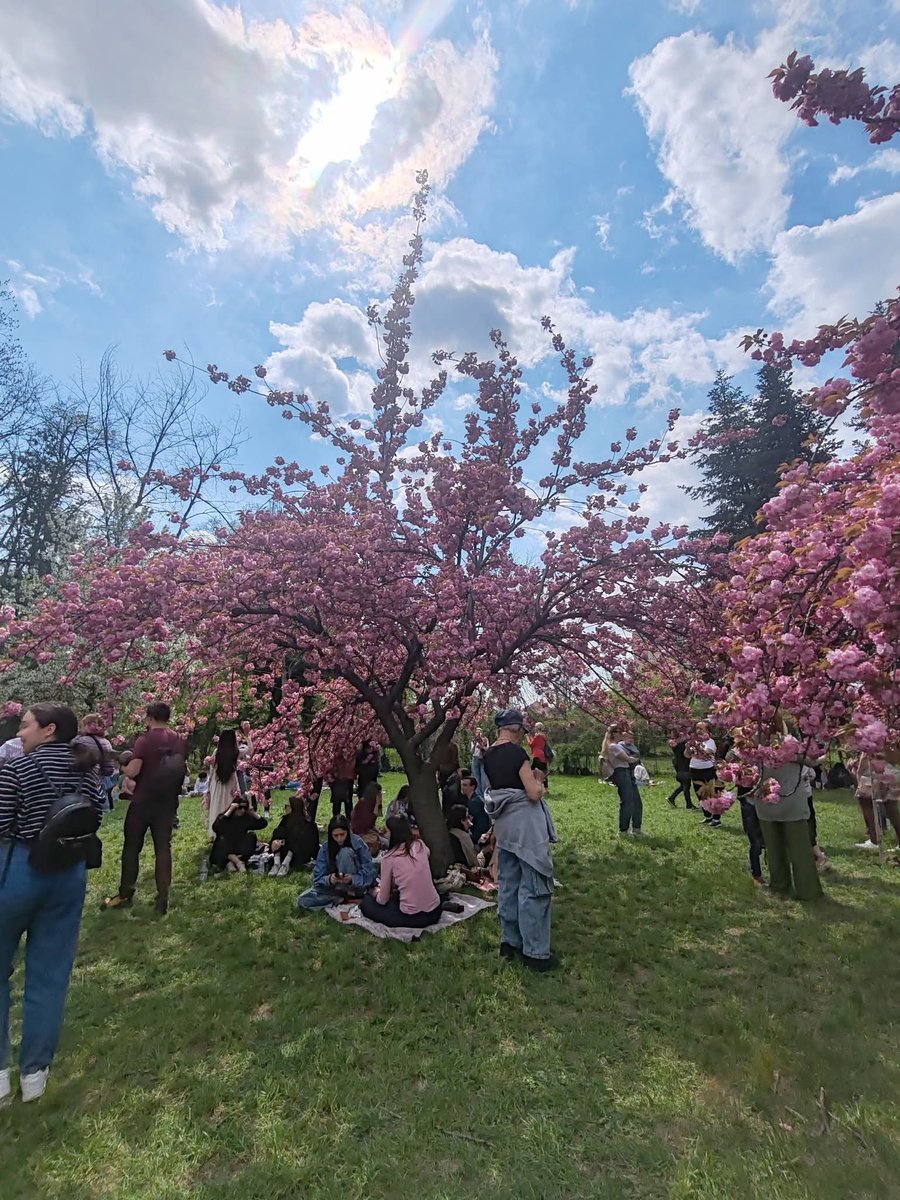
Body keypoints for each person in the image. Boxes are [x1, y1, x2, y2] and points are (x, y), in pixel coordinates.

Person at [0, 703, 104, 1105]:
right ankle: (35, 1076)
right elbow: (96, 814)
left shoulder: (16, 769)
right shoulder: (86, 769)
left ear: (49, 730)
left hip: (19, 870)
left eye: (25, 726)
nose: (19, 733)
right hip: (68, 875)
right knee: (49, 973)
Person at [483, 709, 558, 972]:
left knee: (509, 884)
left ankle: (509, 942)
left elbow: (496, 789)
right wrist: (539, 778)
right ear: (515, 729)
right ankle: (535, 953)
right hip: (526, 827)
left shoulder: (487, 755)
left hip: (505, 826)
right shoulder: (516, 753)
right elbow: (534, 793)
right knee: (534, 885)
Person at [102, 702, 187, 915]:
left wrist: (122, 765)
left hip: (142, 801)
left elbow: (133, 771)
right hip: (167, 803)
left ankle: (126, 893)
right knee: (163, 849)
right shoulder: (178, 740)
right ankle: (163, 896)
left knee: (132, 848)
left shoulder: (145, 740)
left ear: (149, 717)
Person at [752, 735, 823, 901]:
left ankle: (785, 887)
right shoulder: (752, 744)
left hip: (780, 802)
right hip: (774, 801)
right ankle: (804, 890)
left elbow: (811, 760)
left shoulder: (785, 745)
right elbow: (813, 761)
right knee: (793, 848)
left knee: (780, 847)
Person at [359, 816, 443, 928]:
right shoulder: (419, 845)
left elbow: (382, 900)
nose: (383, 834)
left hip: (413, 917)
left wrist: (376, 893)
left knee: (367, 903)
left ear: (393, 834)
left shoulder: (389, 859)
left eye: (386, 831)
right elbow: (426, 854)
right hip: (435, 911)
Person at [296, 815, 375, 909]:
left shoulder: (359, 844)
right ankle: (341, 899)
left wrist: (352, 879)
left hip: (356, 886)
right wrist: (330, 879)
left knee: (345, 852)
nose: (339, 839)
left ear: (348, 832)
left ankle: (348, 896)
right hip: (334, 888)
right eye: (335, 835)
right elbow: (318, 878)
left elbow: (369, 873)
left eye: (342, 834)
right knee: (302, 900)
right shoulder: (325, 848)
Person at [600, 723, 643, 837]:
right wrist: (636, 759)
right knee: (627, 802)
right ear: (614, 734)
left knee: (636, 802)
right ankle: (623, 831)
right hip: (621, 773)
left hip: (627, 773)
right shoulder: (613, 746)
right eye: (620, 732)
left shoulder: (618, 745)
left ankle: (636, 828)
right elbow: (627, 759)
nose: (622, 733)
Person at [853, 753, 900, 849]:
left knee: (865, 801)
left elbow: (867, 753)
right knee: (892, 807)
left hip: (874, 771)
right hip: (893, 771)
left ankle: (874, 840)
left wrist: (859, 772)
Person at [210, 796, 267, 873]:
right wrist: (230, 810)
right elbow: (216, 827)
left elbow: (263, 824)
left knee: (251, 836)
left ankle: (230, 862)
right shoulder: (224, 818)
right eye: (240, 808)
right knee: (221, 839)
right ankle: (238, 863)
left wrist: (253, 813)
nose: (242, 810)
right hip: (225, 847)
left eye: (245, 808)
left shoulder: (246, 818)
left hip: (239, 847)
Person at [267, 794, 320, 876]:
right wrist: (274, 841)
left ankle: (285, 864)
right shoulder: (286, 819)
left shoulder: (308, 823)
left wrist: (284, 841)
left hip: (300, 853)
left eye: (287, 806)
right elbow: (279, 834)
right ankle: (276, 864)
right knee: (279, 831)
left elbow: (310, 843)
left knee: (296, 834)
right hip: (285, 849)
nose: (285, 808)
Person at [204, 729, 242, 836]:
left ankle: (216, 831)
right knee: (230, 804)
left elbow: (212, 770)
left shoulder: (217, 752)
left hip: (217, 782)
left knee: (217, 805)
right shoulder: (236, 752)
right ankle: (231, 831)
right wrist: (247, 735)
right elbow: (250, 750)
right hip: (231, 782)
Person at [76, 714, 116, 812]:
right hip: (99, 783)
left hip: (80, 783)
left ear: (86, 725)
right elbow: (109, 769)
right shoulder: (106, 743)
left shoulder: (78, 742)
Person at [689, 722, 719, 826]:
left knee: (711, 794)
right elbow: (687, 755)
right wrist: (688, 747)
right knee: (699, 794)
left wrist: (697, 746)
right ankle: (707, 816)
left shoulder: (710, 742)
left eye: (701, 728)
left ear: (708, 731)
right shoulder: (695, 742)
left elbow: (706, 753)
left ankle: (716, 819)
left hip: (707, 770)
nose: (699, 730)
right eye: (697, 728)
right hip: (694, 769)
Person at [350, 781, 385, 856]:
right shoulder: (363, 803)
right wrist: (377, 803)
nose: (380, 795)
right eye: (379, 793)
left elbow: (378, 815)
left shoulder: (373, 803)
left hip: (368, 830)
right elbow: (369, 822)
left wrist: (378, 804)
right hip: (360, 831)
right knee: (381, 842)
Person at [666, 739, 695, 809]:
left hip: (683, 770)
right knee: (686, 787)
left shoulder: (680, 747)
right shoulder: (678, 747)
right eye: (670, 743)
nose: (673, 743)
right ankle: (689, 804)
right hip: (683, 771)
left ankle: (671, 798)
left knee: (684, 786)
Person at [461, 774, 490, 841]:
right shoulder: (475, 798)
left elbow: (469, 821)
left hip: (477, 835)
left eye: (465, 785)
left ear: (472, 787)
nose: (462, 787)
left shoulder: (474, 802)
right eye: (462, 785)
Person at [330, 753, 356, 819]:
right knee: (338, 802)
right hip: (339, 776)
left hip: (346, 776)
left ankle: (348, 821)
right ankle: (337, 821)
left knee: (347, 802)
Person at [528, 722, 551, 791]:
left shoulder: (538, 736)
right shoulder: (543, 735)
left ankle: (532, 787)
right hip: (543, 756)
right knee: (543, 772)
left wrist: (527, 738)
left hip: (537, 755)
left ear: (536, 728)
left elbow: (531, 744)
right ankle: (546, 789)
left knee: (531, 771)